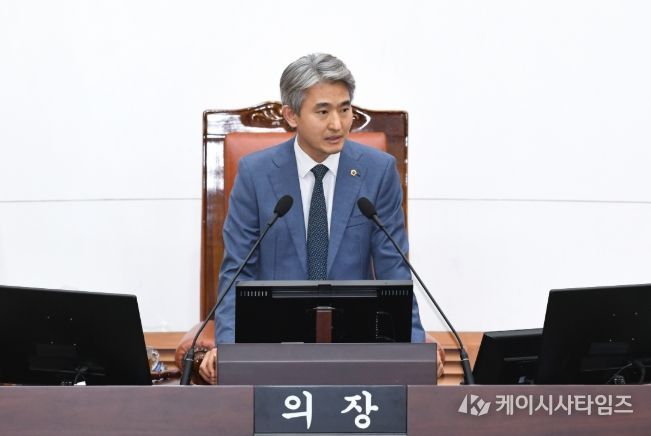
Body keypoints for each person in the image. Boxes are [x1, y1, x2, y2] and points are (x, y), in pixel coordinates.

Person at [199, 53, 443, 383]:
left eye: (345, 109)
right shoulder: (256, 174)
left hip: (354, 343)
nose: (337, 124)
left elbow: (395, 268)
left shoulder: (378, 171)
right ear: (291, 115)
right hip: (273, 343)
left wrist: (413, 350)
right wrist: (229, 350)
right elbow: (237, 271)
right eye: (323, 111)